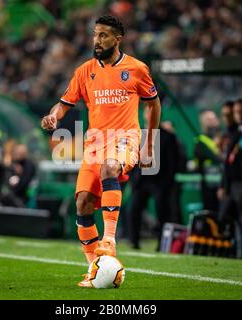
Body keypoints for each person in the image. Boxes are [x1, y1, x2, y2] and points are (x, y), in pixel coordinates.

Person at [41, 15, 161, 287]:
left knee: (110, 166)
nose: (97, 40)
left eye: (104, 35)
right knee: (82, 202)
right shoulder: (85, 71)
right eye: (95, 34)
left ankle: (109, 238)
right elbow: (64, 103)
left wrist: (149, 144)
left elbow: (153, 104)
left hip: (125, 138)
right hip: (94, 144)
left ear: (118, 39)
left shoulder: (137, 69)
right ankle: (94, 269)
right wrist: (53, 117)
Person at [127, 115, 182, 251]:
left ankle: (161, 244)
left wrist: (167, 183)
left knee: (162, 212)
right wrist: (134, 180)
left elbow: (173, 162)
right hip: (142, 181)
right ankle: (134, 241)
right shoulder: (138, 134)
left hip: (160, 182)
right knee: (133, 209)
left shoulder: (168, 136)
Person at [219, 98, 242, 259]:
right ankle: (229, 250)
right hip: (232, 184)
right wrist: (224, 185)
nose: (238, 115)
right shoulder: (235, 133)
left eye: (240, 112)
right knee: (224, 217)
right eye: (236, 112)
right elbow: (227, 162)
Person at [194, 110, 221, 212]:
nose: (213, 121)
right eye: (209, 119)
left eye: (214, 118)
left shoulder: (222, 136)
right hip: (209, 181)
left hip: (222, 179)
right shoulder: (200, 140)